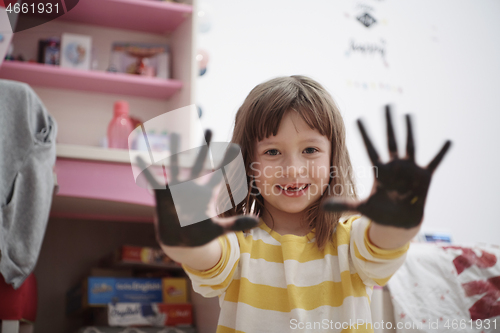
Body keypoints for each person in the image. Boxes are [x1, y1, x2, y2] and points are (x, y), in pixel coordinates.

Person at [139, 75, 451, 332]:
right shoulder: (237, 243)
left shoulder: (350, 239)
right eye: (272, 152)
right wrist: (186, 236)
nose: (293, 169)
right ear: (247, 163)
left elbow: (382, 243)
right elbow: (206, 256)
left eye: (310, 150)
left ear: (333, 158)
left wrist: (398, 220)